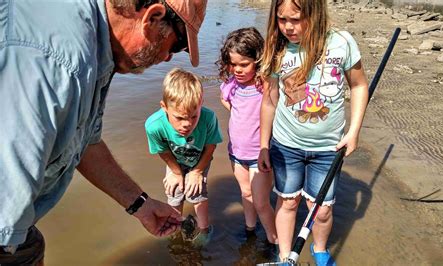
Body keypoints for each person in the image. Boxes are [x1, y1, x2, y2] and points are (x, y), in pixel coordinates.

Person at [0, 0, 208, 264]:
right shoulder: (58, 64)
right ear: (152, 18)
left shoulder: (97, 45)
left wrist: (140, 204)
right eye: (177, 46)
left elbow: (83, 141)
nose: (168, 57)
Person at [258, 0, 369, 265]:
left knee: (321, 210)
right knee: (288, 202)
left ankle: (320, 250)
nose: (287, 27)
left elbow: (359, 86)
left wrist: (353, 131)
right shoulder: (277, 49)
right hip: (285, 145)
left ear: (315, 13)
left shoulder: (342, 42)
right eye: (281, 19)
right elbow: (269, 101)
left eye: (295, 19)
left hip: (328, 148)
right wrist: (264, 145)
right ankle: (285, 256)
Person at [145, 68, 223, 247]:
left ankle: (204, 229)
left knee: (197, 193)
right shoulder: (154, 126)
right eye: (179, 118)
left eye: (193, 116)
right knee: (174, 193)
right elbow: (162, 151)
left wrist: (197, 171)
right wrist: (176, 172)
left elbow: (211, 146)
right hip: (174, 161)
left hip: (200, 159)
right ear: (164, 107)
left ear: (201, 103)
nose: (187, 124)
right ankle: (176, 227)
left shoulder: (209, 118)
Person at [216, 28, 278, 249]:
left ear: (258, 60)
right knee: (245, 193)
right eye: (233, 64)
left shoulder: (265, 85)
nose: (238, 70)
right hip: (236, 152)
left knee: (261, 202)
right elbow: (224, 98)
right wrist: (235, 111)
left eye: (244, 64)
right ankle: (250, 230)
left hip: (259, 154)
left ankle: (275, 241)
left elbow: (274, 109)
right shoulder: (232, 83)